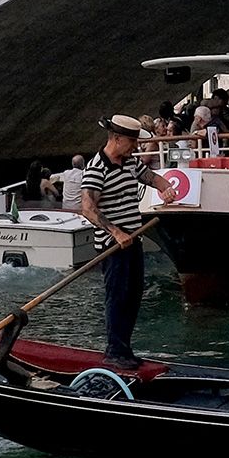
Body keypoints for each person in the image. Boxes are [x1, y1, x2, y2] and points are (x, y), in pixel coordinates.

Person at [79, 114, 178, 366]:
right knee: (117, 297)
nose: (136, 147)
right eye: (132, 141)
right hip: (113, 246)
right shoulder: (95, 168)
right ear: (117, 138)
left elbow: (152, 178)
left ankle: (124, 348)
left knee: (133, 295)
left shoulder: (130, 164)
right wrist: (116, 232)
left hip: (133, 243)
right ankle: (114, 351)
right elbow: (88, 208)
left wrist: (165, 188)